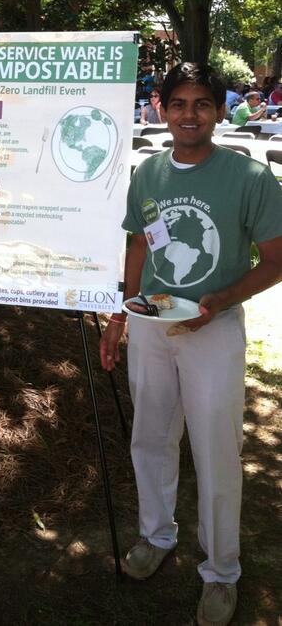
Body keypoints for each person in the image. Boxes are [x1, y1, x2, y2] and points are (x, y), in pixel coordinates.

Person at [100, 62, 282, 626]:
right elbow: (137, 247)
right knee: (151, 436)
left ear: (219, 110)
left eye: (202, 103)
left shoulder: (249, 178)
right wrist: (119, 315)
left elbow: (276, 260)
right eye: (178, 103)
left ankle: (222, 570)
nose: (189, 115)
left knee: (216, 449)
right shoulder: (148, 174)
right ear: (161, 107)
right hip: (152, 327)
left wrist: (220, 301)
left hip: (213, 331)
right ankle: (156, 535)